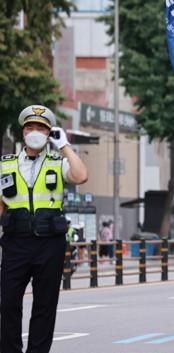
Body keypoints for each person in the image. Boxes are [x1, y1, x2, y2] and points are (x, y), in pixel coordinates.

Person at [0, 105, 88, 353]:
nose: (35, 132)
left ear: (49, 133)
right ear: (23, 132)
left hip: (49, 244)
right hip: (15, 243)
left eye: (41, 128)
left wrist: (65, 146)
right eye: (30, 127)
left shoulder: (58, 162)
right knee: (8, 303)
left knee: (45, 305)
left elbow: (81, 176)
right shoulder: (5, 165)